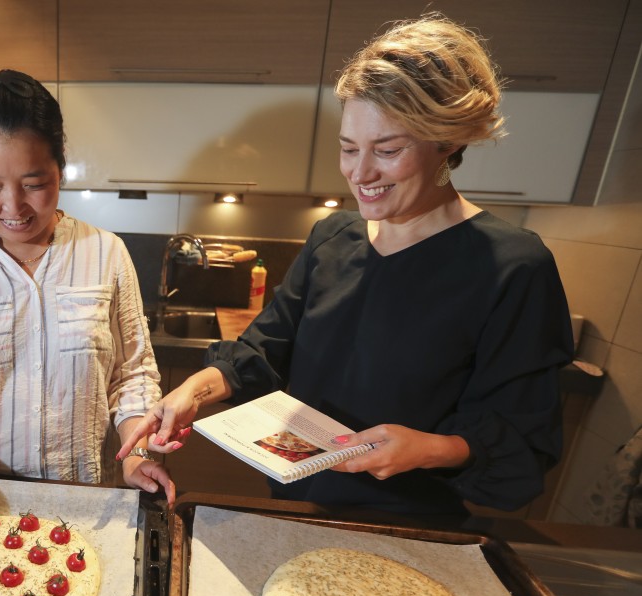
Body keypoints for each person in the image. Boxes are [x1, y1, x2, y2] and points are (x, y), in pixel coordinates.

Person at [119, 15, 574, 517]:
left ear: (447, 141)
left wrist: (429, 448)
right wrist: (191, 392)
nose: (360, 174)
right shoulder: (333, 239)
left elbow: (523, 441)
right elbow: (264, 352)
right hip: (297, 505)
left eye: (388, 150)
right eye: (349, 148)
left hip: (409, 521)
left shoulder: (512, 267)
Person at [0, 70, 178, 541]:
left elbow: (131, 375)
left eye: (33, 182)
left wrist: (136, 452)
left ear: (60, 168)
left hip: (90, 505)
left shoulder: (105, 254)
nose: (13, 206)